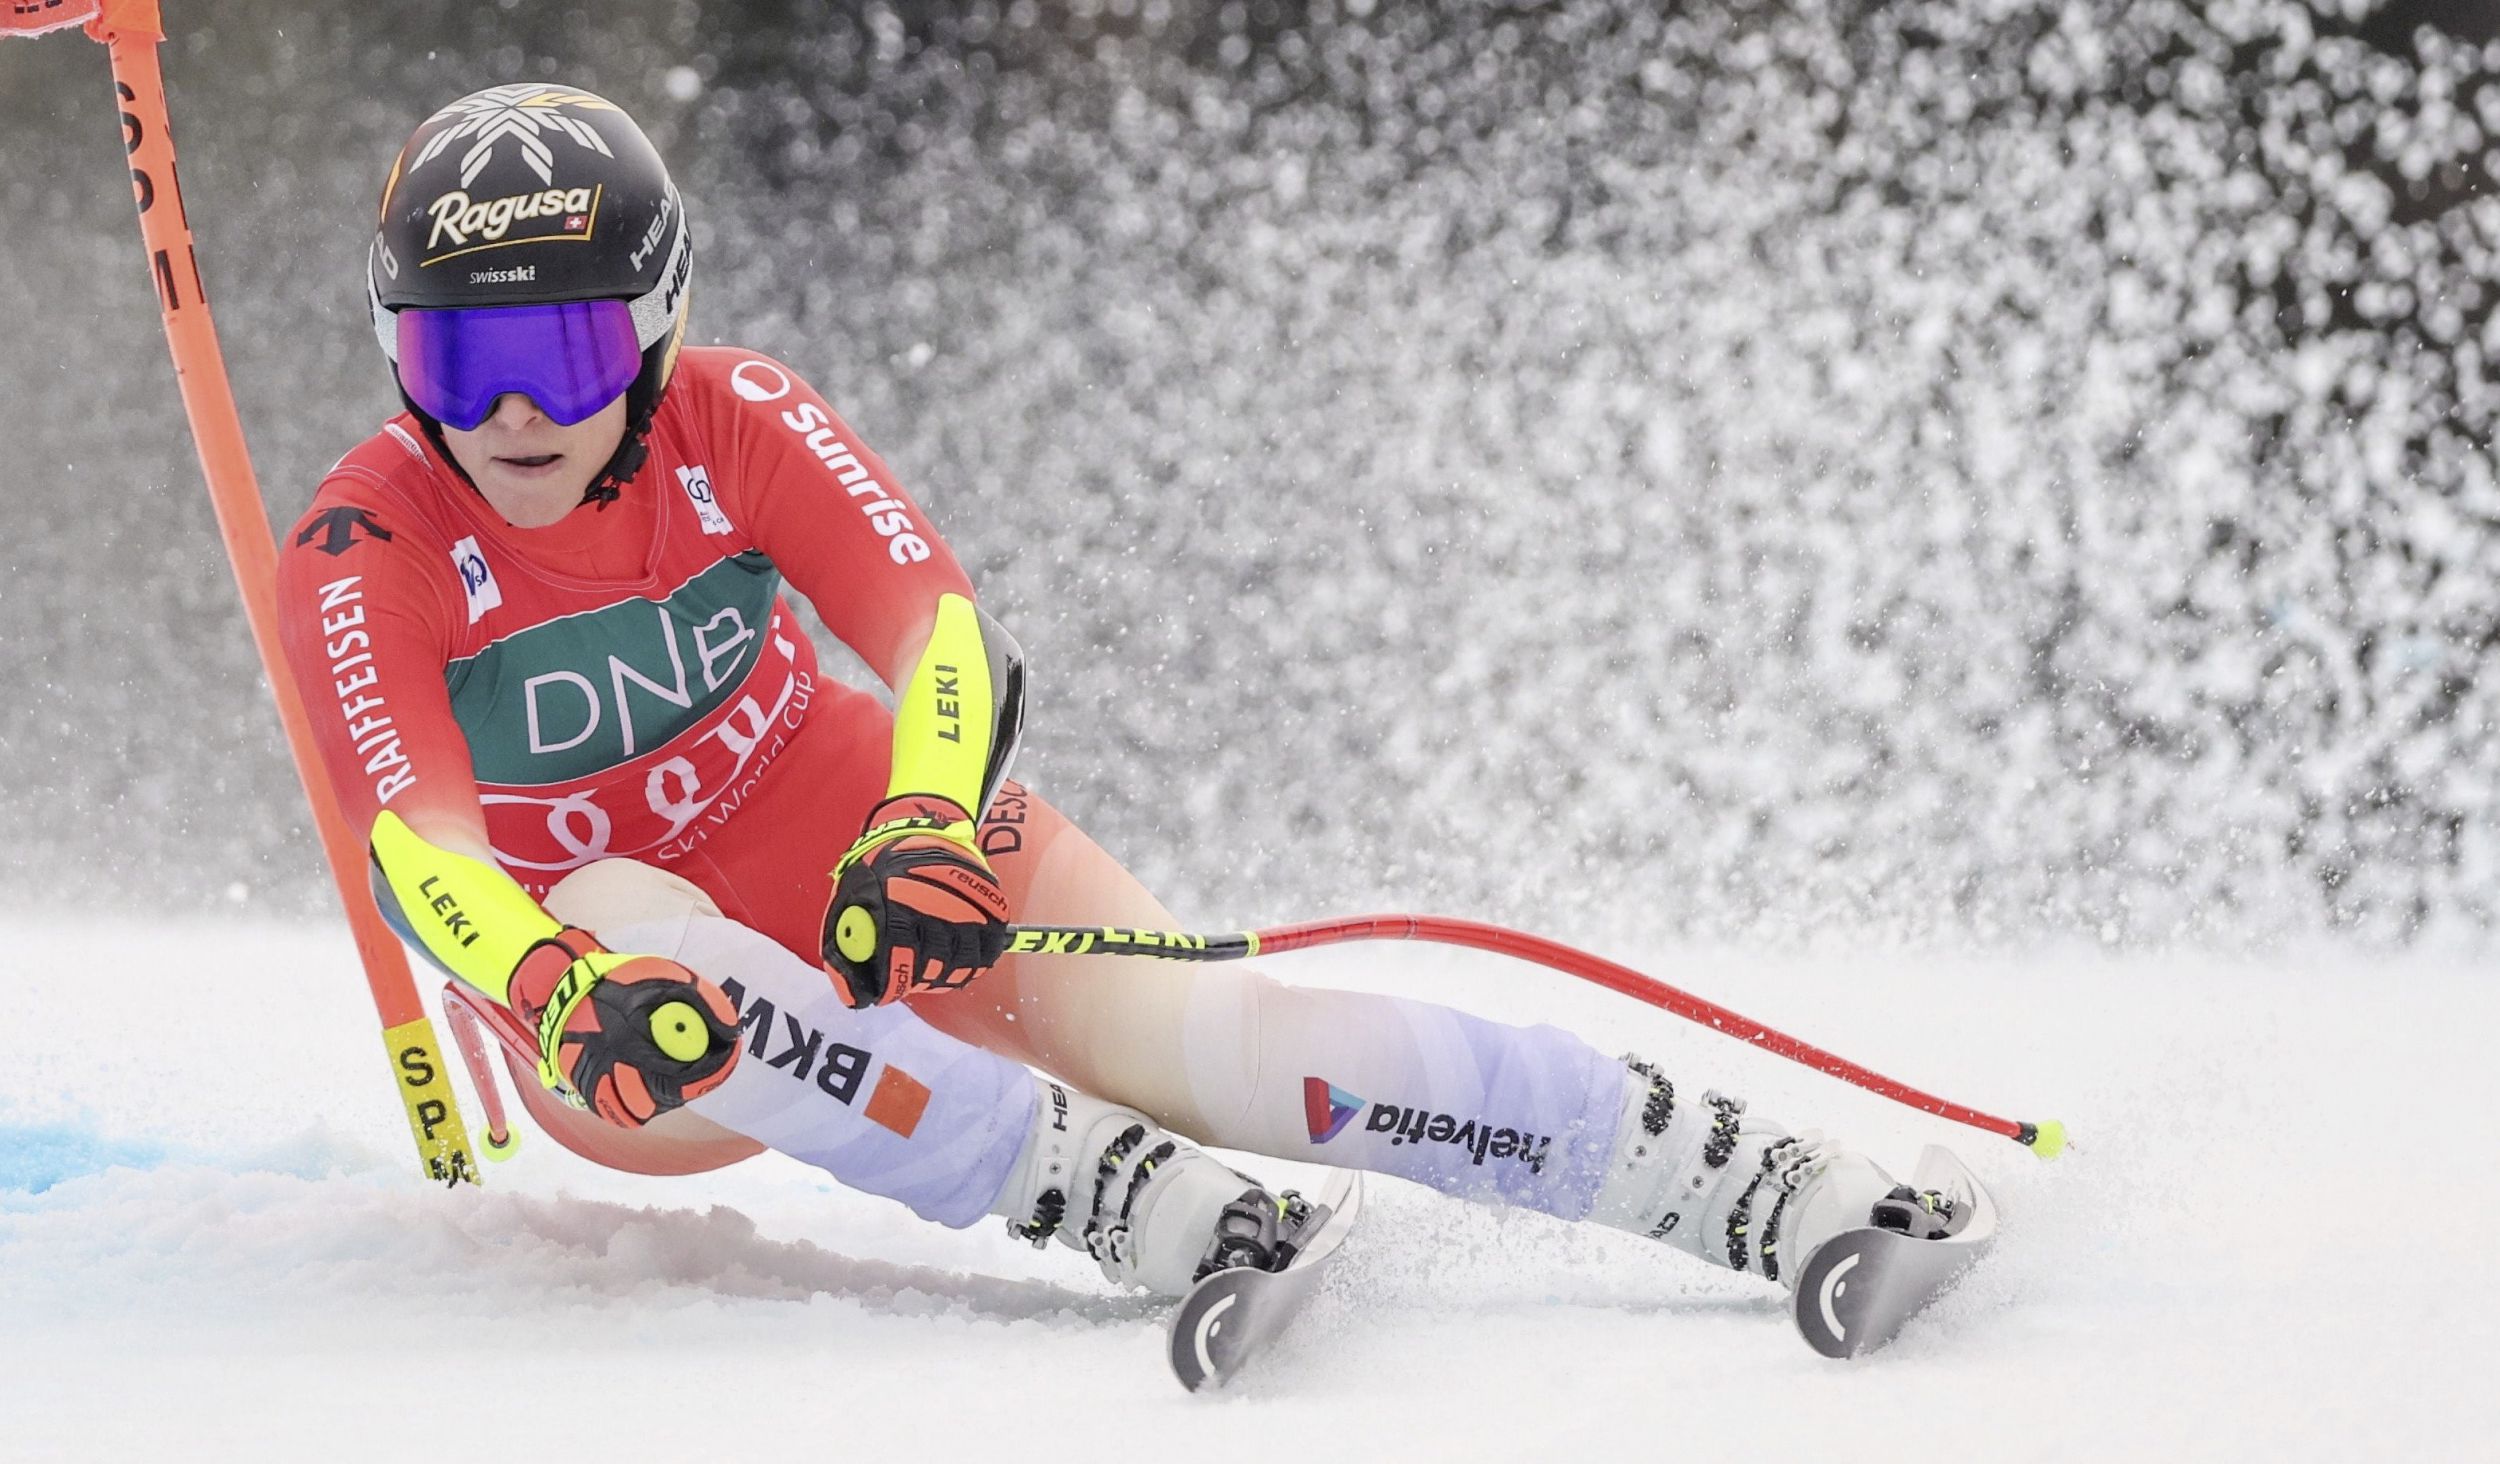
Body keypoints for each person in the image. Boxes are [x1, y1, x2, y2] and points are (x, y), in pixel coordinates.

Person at [278, 83, 1953, 1301]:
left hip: (860, 865)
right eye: (453, 358)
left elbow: (936, 633)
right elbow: (423, 861)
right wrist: (561, 986)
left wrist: (922, 824)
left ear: (654, 329)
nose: (508, 416)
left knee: (1214, 1046)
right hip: (619, 1028)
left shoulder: (741, 418)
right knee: (637, 912)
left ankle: (1747, 1179)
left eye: (557, 354)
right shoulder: (367, 547)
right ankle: (1090, 1189)